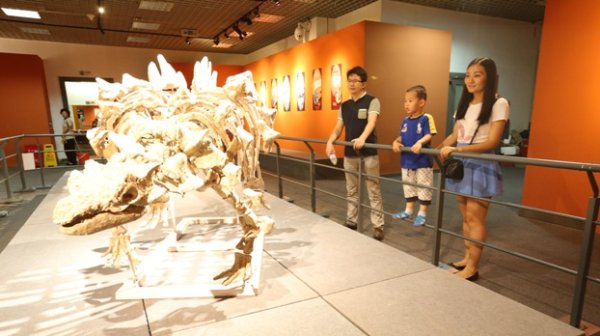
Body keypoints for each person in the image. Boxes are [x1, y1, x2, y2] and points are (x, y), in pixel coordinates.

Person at [438, 57, 509, 281]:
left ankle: (473, 268)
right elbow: (455, 135)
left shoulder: (499, 103)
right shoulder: (465, 104)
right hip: (461, 163)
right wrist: (436, 149)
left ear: (489, 78)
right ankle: (467, 258)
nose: (470, 80)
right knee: (466, 218)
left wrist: (458, 150)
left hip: (480, 163)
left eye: (477, 75)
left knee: (475, 218)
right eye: (468, 75)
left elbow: (492, 142)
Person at [326, 66, 385, 241]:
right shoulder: (344, 105)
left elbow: (371, 123)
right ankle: (352, 220)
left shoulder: (373, 101)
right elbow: (338, 127)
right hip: (350, 153)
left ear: (364, 84)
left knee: (373, 189)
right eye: (349, 80)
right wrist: (330, 141)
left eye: (355, 81)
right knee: (351, 190)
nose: (351, 84)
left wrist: (362, 138)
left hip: (369, 152)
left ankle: (378, 225)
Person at [391, 85, 437, 226]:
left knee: (424, 186)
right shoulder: (404, 120)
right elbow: (402, 136)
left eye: (410, 101)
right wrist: (396, 141)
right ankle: (409, 210)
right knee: (408, 186)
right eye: (405, 101)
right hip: (407, 160)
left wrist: (420, 142)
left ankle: (422, 213)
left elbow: (429, 134)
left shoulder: (426, 118)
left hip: (422, 161)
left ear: (421, 102)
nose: (406, 104)